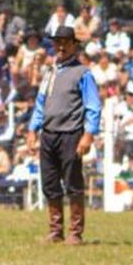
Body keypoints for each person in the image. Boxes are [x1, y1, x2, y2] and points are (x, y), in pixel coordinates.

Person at [28, 26, 101, 245]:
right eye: (56, 42)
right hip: (49, 134)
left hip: (71, 133)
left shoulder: (83, 73)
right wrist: (32, 129)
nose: (60, 46)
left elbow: (93, 106)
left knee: (73, 182)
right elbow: (41, 103)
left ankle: (75, 232)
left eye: (64, 42)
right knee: (49, 183)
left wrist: (89, 135)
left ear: (73, 45)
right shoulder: (49, 72)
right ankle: (55, 230)